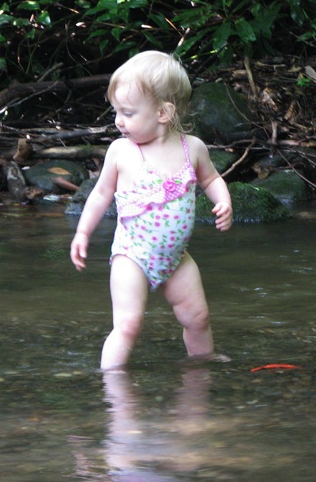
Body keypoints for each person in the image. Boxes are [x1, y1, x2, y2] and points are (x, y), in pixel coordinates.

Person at [70, 51, 233, 370]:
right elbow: (101, 193)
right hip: (132, 254)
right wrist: (82, 232)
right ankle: (111, 385)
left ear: (163, 112)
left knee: (198, 317)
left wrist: (223, 200)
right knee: (128, 325)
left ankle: (202, 368)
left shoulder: (192, 148)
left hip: (176, 256)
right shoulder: (121, 152)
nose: (118, 120)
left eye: (128, 112)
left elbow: (211, 178)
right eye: (116, 111)